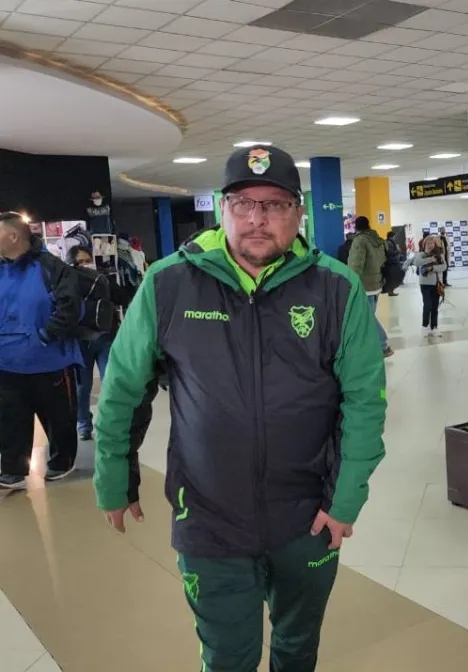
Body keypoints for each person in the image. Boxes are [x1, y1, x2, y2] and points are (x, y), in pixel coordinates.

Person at [92, 145, 387, 672]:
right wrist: (114, 477)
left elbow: (364, 402)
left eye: (274, 205)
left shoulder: (335, 289)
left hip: (308, 517)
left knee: (298, 647)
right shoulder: (168, 283)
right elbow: (122, 388)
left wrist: (345, 502)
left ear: (298, 212)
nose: (257, 219)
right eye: (243, 203)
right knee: (228, 656)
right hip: (208, 519)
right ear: (222, 208)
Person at [0, 212, 82, 489]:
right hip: (6, 362)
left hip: (50, 360)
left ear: (13, 235)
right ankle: (12, 469)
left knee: (58, 417)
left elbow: (71, 307)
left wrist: (46, 335)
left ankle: (62, 461)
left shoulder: (52, 267)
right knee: (10, 418)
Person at [68, 245, 123, 441]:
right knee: (83, 387)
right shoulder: (68, 282)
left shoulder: (102, 278)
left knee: (109, 382)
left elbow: (121, 297)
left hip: (103, 338)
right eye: (80, 261)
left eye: (87, 260)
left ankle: (107, 423)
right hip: (81, 341)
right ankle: (84, 424)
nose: (85, 265)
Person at [348, 216, 393, 358]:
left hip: (364, 286)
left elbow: (355, 265)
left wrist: (350, 282)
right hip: (377, 284)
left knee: (367, 317)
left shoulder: (360, 241)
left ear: (356, 227)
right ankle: (370, 346)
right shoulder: (379, 240)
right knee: (368, 315)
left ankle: (383, 344)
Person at [412, 235, 446, 337]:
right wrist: (430, 259)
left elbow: (444, 266)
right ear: (424, 245)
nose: (430, 245)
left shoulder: (439, 254)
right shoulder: (421, 254)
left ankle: (434, 327)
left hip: (436, 284)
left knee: (435, 307)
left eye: (432, 243)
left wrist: (433, 268)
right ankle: (424, 326)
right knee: (427, 305)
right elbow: (417, 263)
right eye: (428, 243)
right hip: (425, 285)